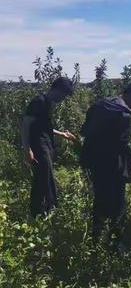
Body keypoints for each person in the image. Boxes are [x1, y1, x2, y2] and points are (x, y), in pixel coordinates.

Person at [80, 82, 131, 251]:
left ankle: (95, 241)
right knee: (118, 204)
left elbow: (85, 130)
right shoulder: (123, 114)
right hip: (114, 166)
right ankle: (117, 245)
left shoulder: (103, 104)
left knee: (100, 200)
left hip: (95, 162)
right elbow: (121, 143)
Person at [21, 77, 76, 217]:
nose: (63, 98)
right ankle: (51, 209)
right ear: (57, 89)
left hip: (46, 144)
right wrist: (27, 149)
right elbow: (26, 124)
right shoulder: (38, 102)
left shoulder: (47, 103)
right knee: (46, 176)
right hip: (38, 146)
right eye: (64, 94)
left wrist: (62, 134)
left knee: (41, 178)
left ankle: (36, 213)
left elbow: (44, 126)